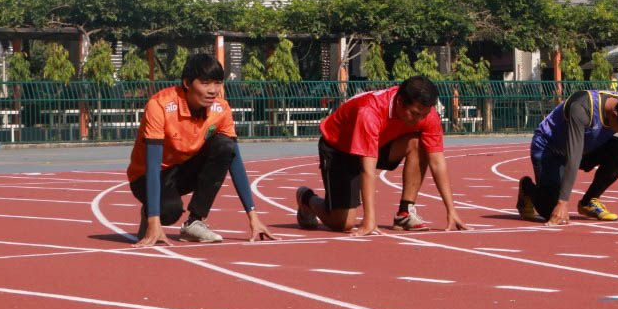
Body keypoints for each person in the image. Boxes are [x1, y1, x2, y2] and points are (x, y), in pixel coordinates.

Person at [128, 53, 274, 247]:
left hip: (182, 169)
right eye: (205, 83)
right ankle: (150, 213)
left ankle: (194, 222)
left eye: (217, 83)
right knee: (169, 211)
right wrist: (154, 219)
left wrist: (253, 217)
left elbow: (234, 160)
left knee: (225, 146)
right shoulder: (160, 105)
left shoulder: (221, 109)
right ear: (187, 83)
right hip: (147, 175)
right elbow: (153, 166)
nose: (213, 90)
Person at [296, 76, 468, 235]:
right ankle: (307, 198)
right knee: (343, 223)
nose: (420, 120)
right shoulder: (369, 112)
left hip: (379, 142)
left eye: (424, 114)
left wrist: (451, 210)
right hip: (339, 148)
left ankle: (405, 212)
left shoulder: (427, 115)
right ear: (400, 102)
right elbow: (367, 169)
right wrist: (369, 220)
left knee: (419, 143)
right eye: (415, 114)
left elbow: (437, 162)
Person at [518, 89, 618, 225]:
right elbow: (574, 156)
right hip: (550, 149)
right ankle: (527, 188)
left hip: (586, 147)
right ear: (614, 115)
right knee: (550, 210)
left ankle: (588, 202)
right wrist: (562, 202)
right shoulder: (581, 108)